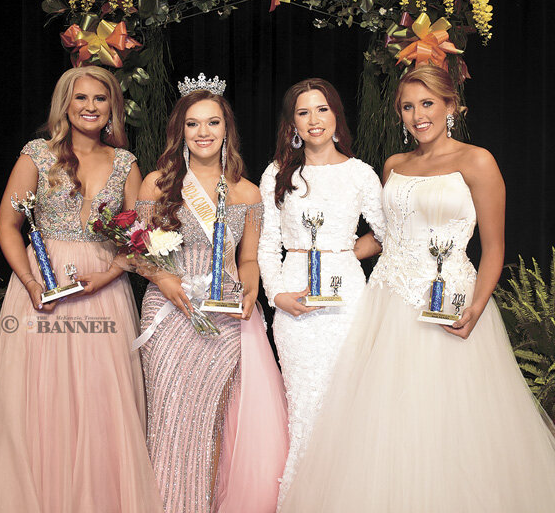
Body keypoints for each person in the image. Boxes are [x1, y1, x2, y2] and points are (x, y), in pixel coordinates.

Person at [281, 65, 555, 512]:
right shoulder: (394, 165)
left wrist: (477, 307)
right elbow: (389, 235)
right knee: (387, 423)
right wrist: (328, 256)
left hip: (448, 304)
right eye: (407, 107)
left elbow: (494, 249)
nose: (417, 115)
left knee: (449, 418)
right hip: (388, 303)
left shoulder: (477, 160)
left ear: (451, 106)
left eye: (427, 103)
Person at [0, 66, 162, 512]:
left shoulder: (125, 163)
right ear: (65, 105)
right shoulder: (36, 155)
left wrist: (110, 273)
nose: (90, 107)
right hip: (41, 289)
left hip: (102, 291)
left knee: (100, 399)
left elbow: (138, 237)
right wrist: (30, 281)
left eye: (100, 99)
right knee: (36, 395)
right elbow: (8, 227)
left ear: (113, 107)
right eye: (81, 98)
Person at [134, 74, 288, 513]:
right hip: (169, 311)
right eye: (193, 124)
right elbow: (139, 254)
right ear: (180, 131)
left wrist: (252, 286)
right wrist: (163, 279)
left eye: (213, 123)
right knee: (169, 418)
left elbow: (249, 260)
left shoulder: (247, 192)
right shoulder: (157, 184)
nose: (204, 132)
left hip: (222, 314)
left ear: (227, 130)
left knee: (214, 419)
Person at [257, 78, 385, 508]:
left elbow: (385, 235)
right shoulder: (277, 173)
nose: (314, 120)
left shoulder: (360, 172)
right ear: (292, 122)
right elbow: (265, 245)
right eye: (304, 112)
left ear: (336, 116)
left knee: (349, 400)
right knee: (305, 403)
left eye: (322, 110)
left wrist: (344, 254)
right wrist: (276, 295)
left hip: (347, 300)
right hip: (294, 304)